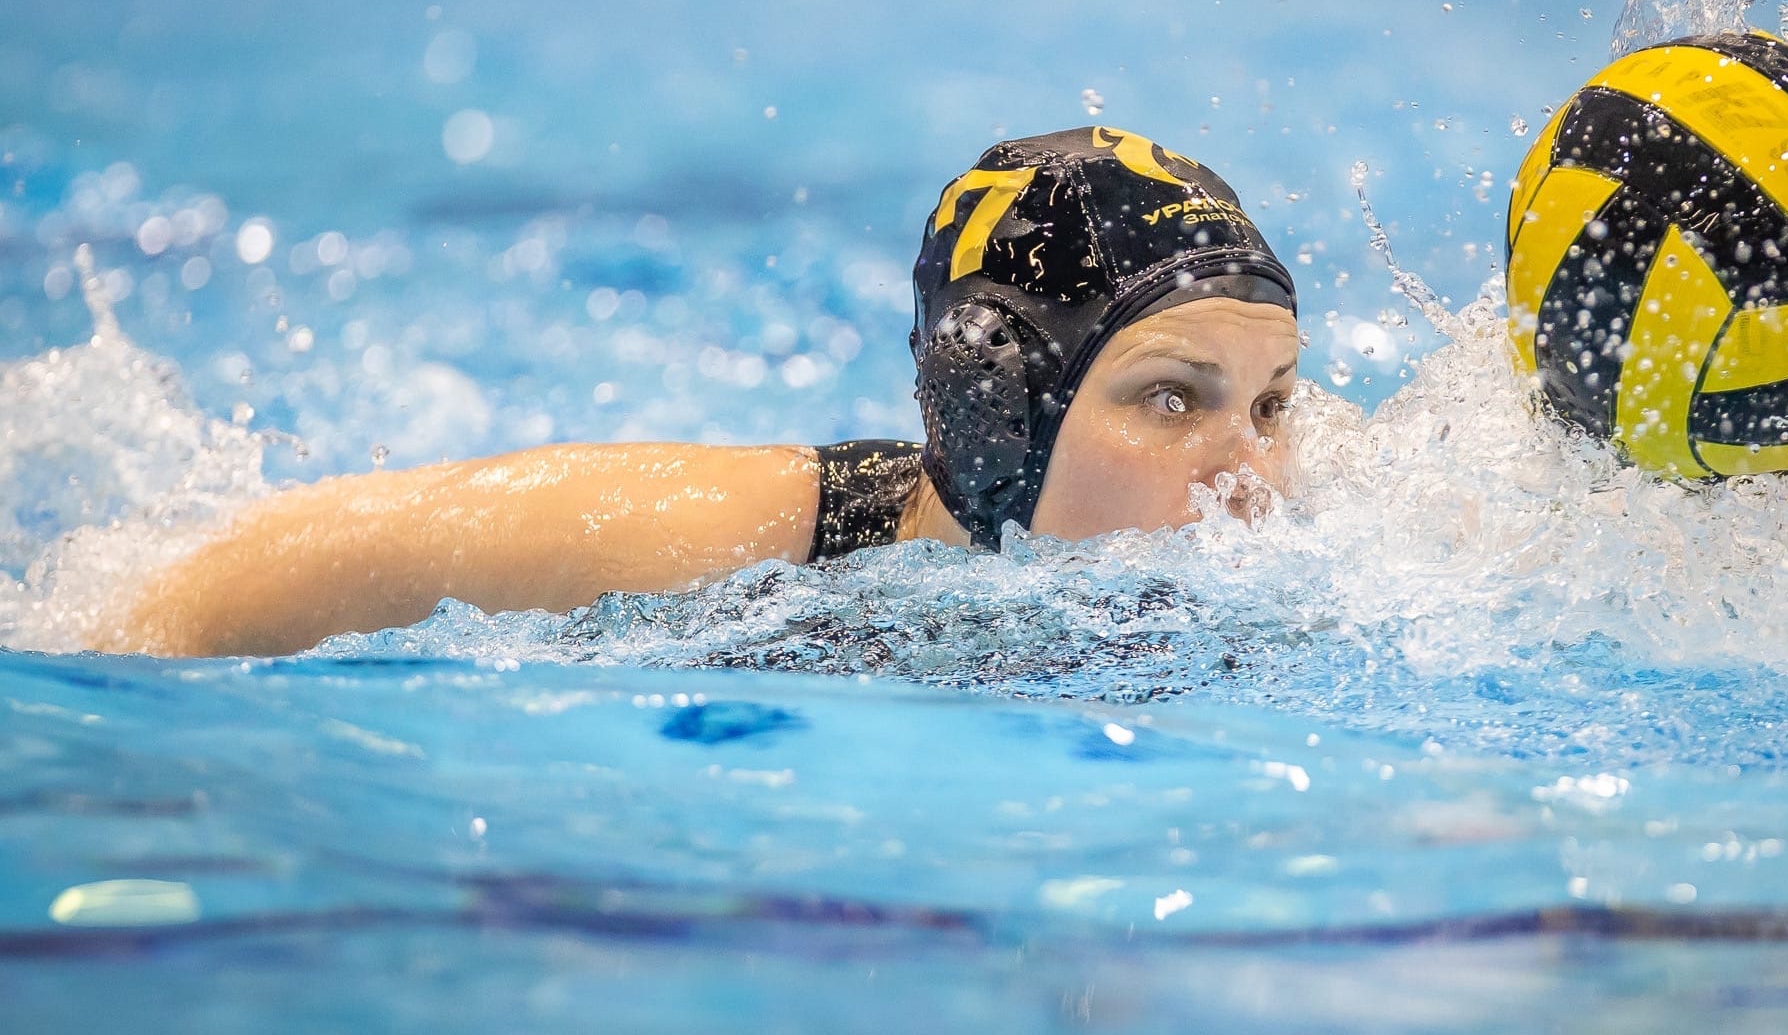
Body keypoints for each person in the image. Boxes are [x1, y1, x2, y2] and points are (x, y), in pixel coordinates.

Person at [107, 127, 1301, 656]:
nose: (1248, 474)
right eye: (1170, 398)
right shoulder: (733, 545)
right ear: (996, 417)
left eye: (1272, 402)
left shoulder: (1319, 544)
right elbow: (226, 584)